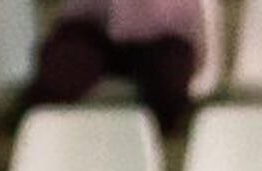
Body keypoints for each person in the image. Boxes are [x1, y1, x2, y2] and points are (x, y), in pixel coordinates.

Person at [21, 0, 205, 136]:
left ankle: (160, 148)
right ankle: (31, 137)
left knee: (170, 79)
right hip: (90, 24)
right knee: (60, 71)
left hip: (163, 32)